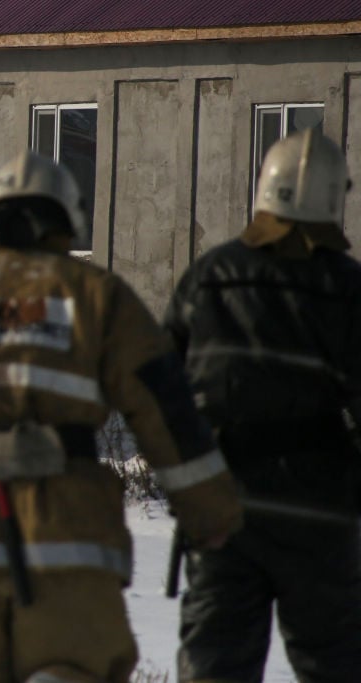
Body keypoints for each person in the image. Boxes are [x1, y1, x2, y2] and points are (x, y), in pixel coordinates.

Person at [0, 149, 242, 683]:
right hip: (68, 531)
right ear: (60, 222)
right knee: (70, 670)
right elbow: (164, 407)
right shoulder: (97, 297)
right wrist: (209, 512)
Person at [164, 128, 361, 683]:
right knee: (334, 665)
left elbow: (158, 392)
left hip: (223, 510)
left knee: (214, 668)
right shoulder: (347, 288)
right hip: (319, 516)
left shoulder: (209, 277)